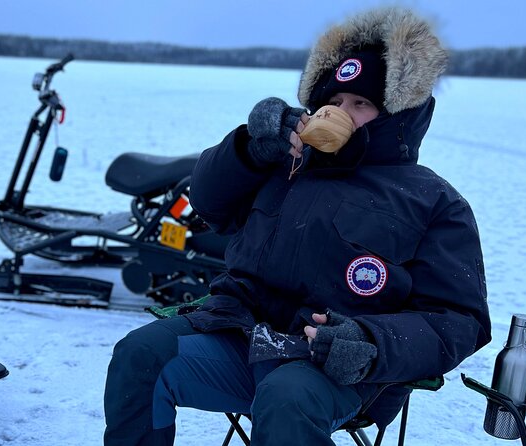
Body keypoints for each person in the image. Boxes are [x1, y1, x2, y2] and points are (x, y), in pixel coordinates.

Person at [104, 6, 491, 446]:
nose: (341, 112)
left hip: (341, 367)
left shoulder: (434, 201)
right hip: (241, 334)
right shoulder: (284, 162)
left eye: (361, 103)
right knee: (139, 355)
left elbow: (460, 320)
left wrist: (371, 342)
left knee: (286, 399)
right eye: (334, 102)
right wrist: (248, 148)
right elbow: (208, 202)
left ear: (396, 114)